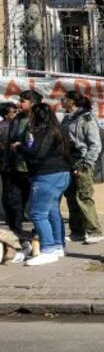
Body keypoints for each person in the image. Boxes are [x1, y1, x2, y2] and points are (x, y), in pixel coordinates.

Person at [13, 103, 72, 266]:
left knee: (38, 213)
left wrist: (20, 148)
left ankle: (48, 250)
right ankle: (59, 246)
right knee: (52, 210)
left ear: (36, 115)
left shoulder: (43, 131)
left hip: (47, 175)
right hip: (61, 174)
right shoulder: (58, 129)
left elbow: (38, 153)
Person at [60, 91, 104, 244]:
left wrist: (86, 164)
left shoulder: (86, 118)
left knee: (83, 197)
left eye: (64, 99)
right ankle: (77, 231)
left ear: (72, 101)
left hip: (82, 161)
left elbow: (95, 144)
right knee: (71, 197)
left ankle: (95, 231)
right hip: (69, 161)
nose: (61, 102)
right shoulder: (67, 118)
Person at [3, 90, 40, 251]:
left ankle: (40, 235)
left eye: (23, 101)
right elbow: (11, 137)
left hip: (32, 168)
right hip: (15, 166)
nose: (20, 104)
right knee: (14, 202)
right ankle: (16, 233)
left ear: (32, 103)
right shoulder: (17, 119)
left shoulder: (39, 119)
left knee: (36, 205)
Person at [0, 102, 26, 247]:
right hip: (9, 166)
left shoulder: (17, 125)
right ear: (6, 114)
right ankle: (15, 225)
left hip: (15, 166)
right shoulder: (5, 127)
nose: (16, 114)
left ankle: (15, 223)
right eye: (13, 112)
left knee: (12, 195)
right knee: (12, 196)